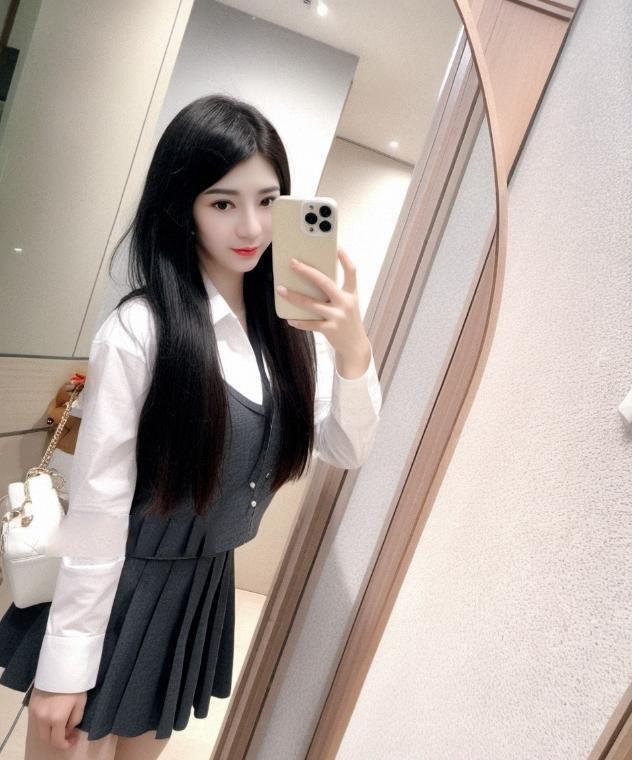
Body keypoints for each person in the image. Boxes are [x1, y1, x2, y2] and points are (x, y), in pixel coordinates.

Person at [0, 94, 382, 758]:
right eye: (223, 202)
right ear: (184, 208)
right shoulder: (140, 330)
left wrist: (353, 348)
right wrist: (65, 665)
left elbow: (346, 448)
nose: (251, 226)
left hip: (201, 590)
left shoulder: (289, 338)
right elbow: (99, 506)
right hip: (117, 585)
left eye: (268, 200)